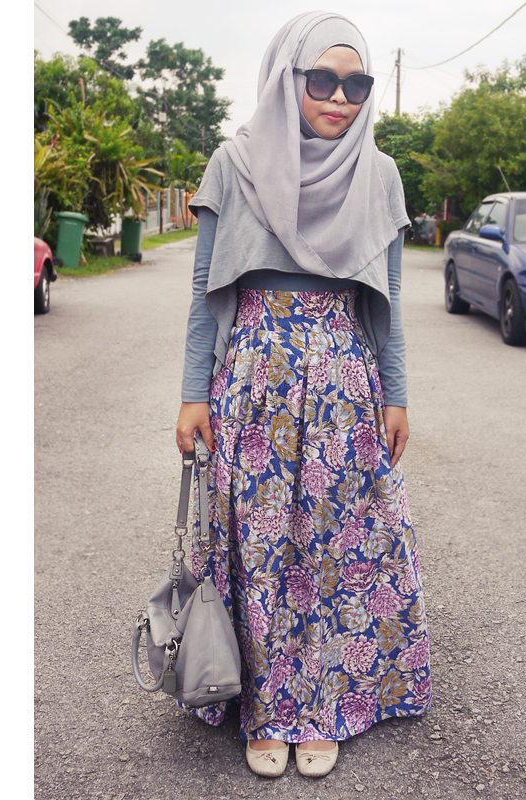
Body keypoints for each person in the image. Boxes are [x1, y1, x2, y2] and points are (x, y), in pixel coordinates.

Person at [174, 11, 432, 779]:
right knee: (259, 546)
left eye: (357, 84)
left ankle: (319, 703)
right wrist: (191, 394)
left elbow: (387, 299)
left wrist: (396, 395)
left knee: (334, 546)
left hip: (345, 385)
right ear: (288, 80)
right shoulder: (234, 164)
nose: (340, 98)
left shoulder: (379, 174)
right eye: (322, 80)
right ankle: (265, 705)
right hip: (251, 380)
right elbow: (204, 289)